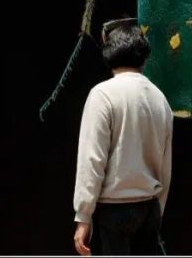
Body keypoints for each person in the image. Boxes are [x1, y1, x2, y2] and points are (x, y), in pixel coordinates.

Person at [73, 22, 173, 256]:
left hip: (113, 211)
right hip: (149, 207)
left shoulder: (103, 94)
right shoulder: (160, 99)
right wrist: (158, 209)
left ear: (108, 54)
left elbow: (92, 159)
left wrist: (83, 215)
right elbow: (166, 164)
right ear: (144, 58)